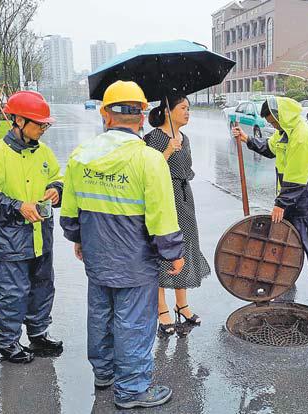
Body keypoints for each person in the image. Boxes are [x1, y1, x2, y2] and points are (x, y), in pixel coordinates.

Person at [60, 80, 185, 410]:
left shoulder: (80, 156)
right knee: (134, 322)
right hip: (134, 259)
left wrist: (78, 239)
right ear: (142, 116)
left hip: (97, 255)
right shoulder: (149, 160)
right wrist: (173, 254)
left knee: (101, 313)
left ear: (105, 115)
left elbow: (70, 211)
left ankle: (104, 373)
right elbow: (162, 217)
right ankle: (131, 390)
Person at [0, 91, 64, 363]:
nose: (43, 129)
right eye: (39, 124)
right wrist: (16, 206)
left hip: (40, 236)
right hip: (9, 241)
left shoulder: (43, 152)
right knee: (13, 293)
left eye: (46, 124)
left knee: (42, 287)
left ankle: (38, 335)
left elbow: (57, 176)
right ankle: (9, 343)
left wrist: (56, 189)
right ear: (19, 121)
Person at [232, 96, 308, 309]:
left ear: (283, 116)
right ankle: (285, 284)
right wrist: (248, 139)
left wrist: (280, 204)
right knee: (282, 246)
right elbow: (270, 149)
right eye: (271, 123)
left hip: (307, 202)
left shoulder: (303, 136)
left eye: (273, 121)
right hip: (291, 200)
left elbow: (297, 179)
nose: (273, 125)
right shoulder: (284, 133)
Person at [144, 95, 211, 334]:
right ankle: (161, 309)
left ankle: (182, 304)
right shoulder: (154, 138)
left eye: (189, 108)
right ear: (168, 111)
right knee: (164, 247)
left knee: (184, 246)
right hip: (163, 196)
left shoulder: (185, 138)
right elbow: (149, 172)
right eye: (183, 108)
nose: (187, 112)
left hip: (184, 196)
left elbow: (187, 168)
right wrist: (167, 152)